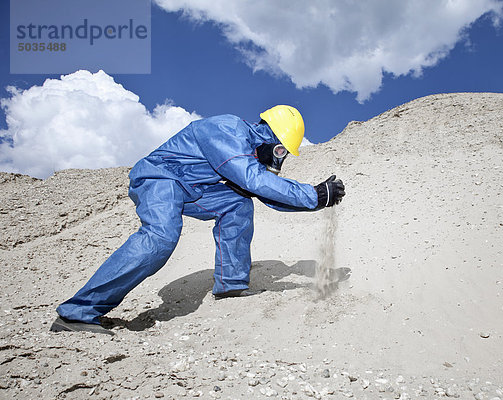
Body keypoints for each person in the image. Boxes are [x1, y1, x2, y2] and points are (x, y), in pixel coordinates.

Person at [50, 105, 345, 335]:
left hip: (194, 189)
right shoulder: (227, 129)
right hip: (159, 177)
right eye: (280, 151)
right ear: (270, 135)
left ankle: (231, 285)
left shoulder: (246, 155)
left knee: (237, 204)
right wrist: (311, 194)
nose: (278, 159)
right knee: (162, 236)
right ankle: (78, 311)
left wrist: (319, 199)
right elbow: (252, 179)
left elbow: (264, 193)